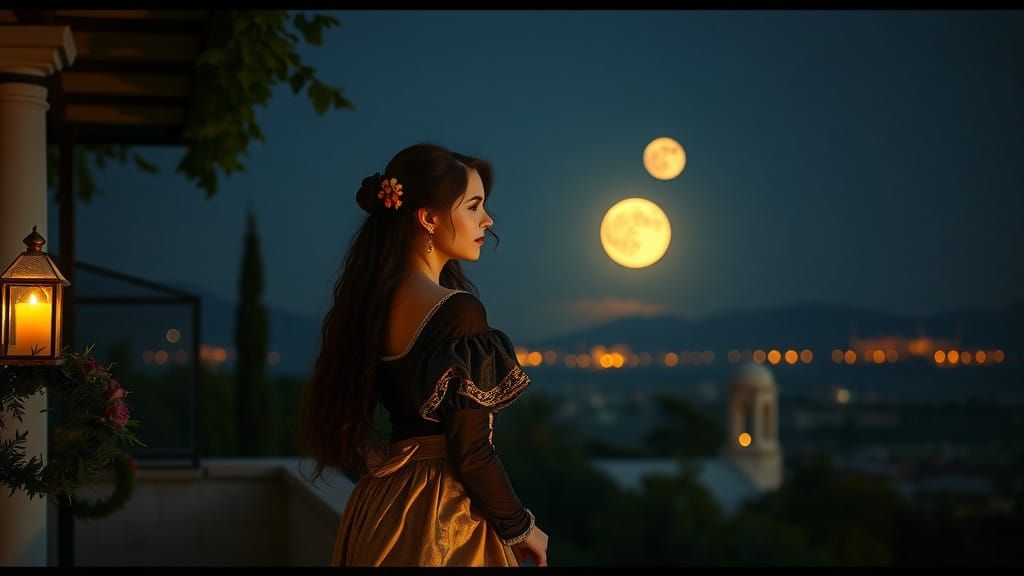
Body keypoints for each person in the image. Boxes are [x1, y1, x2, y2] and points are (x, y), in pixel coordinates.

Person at [300, 143, 549, 567]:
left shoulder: (371, 303)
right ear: (429, 217)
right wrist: (521, 525)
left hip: (380, 506)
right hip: (442, 518)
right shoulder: (457, 311)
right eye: (473, 207)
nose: (487, 220)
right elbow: (470, 452)